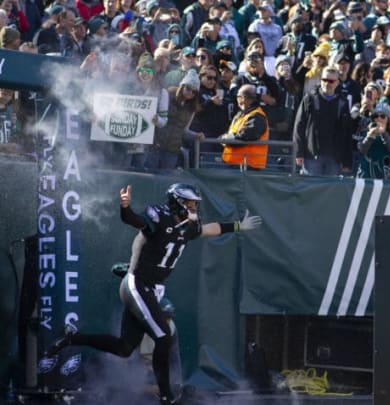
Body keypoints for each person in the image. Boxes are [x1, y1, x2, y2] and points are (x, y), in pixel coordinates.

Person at [46, 183, 262, 405]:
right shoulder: (159, 217)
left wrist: (237, 226)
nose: (194, 207)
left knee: (124, 348)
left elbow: (209, 229)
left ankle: (71, 338)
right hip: (137, 284)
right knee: (163, 336)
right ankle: (166, 395)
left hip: (150, 288)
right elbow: (136, 221)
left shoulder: (188, 226)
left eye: (195, 203)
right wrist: (125, 207)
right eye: (189, 203)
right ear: (177, 203)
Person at [293, 66, 354, 176]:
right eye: (324, 80)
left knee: (330, 191)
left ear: (337, 82)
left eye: (331, 81)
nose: (327, 83)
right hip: (311, 156)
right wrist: (298, 152)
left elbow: (347, 133)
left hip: (334, 158)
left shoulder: (343, 103)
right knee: (310, 190)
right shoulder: (309, 99)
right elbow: (299, 126)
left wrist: (347, 161)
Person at [221, 84, 269, 169]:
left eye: (238, 96)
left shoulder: (257, 116)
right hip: (235, 163)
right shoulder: (242, 114)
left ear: (242, 98)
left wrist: (227, 139)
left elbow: (247, 135)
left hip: (248, 166)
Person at [356, 103, 390, 179]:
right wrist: (370, 136)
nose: (379, 119)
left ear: (388, 119)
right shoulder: (365, 131)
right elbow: (362, 150)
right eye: (376, 116)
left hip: (387, 176)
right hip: (367, 175)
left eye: (382, 116)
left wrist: (384, 133)